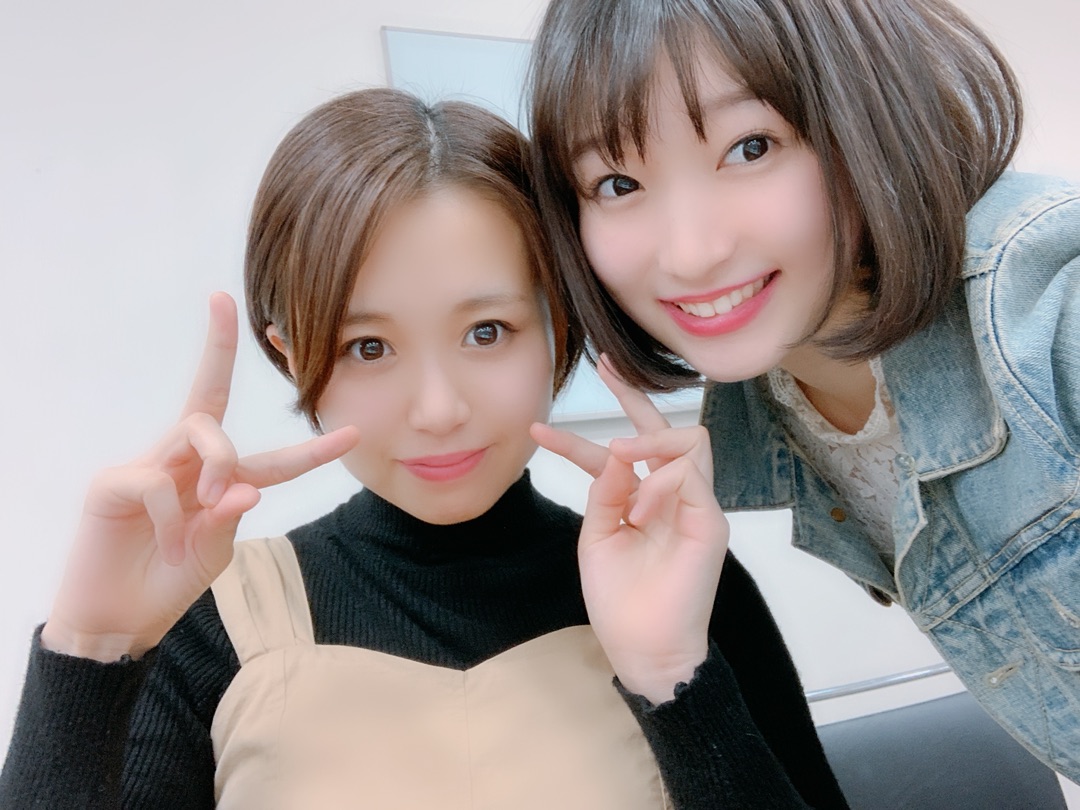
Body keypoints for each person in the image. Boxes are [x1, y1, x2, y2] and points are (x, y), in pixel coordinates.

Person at [0, 88, 849, 809]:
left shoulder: (682, 585)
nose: (439, 410)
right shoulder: (212, 620)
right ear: (292, 356)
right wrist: (87, 646)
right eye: (368, 347)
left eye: (488, 331)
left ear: (558, 327)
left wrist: (674, 678)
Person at [526, 0, 1080, 783]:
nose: (690, 254)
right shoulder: (779, 403)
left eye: (749, 147)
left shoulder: (1049, 303)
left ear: (869, 116)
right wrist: (667, 664)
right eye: (618, 183)